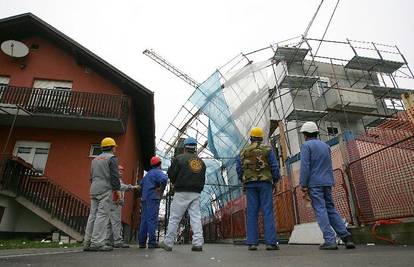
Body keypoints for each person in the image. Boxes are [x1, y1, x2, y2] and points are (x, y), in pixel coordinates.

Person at [299, 121, 355, 250]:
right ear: (316, 133)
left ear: (305, 134)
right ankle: (346, 237)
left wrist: (303, 184)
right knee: (330, 208)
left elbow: (305, 166)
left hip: (314, 183)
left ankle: (330, 240)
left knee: (320, 210)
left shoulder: (306, 146)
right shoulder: (325, 146)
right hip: (327, 181)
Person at [236, 127, 281, 251]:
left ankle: (252, 243)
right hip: (265, 183)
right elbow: (274, 166)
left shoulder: (243, 152)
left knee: (252, 212)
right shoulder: (267, 150)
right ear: (261, 138)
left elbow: (239, 169)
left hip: (250, 185)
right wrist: (275, 180)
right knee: (267, 211)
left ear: (250, 138)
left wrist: (244, 180)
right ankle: (271, 243)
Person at [161, 137, 206, 252]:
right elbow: (202, 178)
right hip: (196, 192)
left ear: (184, 148)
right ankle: (198, 243)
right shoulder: (201, 162)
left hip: (181, 191)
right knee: (195, 217)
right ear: (195, 148)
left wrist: (176, 181)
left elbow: (171, 174)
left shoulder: (178, 159)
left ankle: (168, 243)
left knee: (175, 218)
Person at [84, 137, 121, 252]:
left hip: (94, 187)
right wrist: (117, 190)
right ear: (112, 147)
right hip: (105, 188)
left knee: (92, 215)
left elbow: (91, 176)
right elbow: (115, 176)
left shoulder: (95, 159)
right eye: (115, 147)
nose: (115, 149)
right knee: (102, 215)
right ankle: (97, 243)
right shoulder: (112, 158)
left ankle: (87, 242)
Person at [105, 165, 139, 248]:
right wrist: (133, 187)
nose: (121, 172)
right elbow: (121, 187)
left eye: (122, 171)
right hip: (115, 203)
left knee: (109, 222)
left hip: (110, 203)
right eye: (119, 170)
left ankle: (107, 240)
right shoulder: (115, 179)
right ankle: (118, 241)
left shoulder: (112, 178)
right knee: (116, 222)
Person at [138, 156, 168, 249]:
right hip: (153, 198)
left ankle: (142, 243)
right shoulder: (158, 172)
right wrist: (160, 189)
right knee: (152, 220)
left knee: (144, 220)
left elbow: (141, 184)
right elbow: (164, 179)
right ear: (160, 164)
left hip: (145, 198)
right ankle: (151, 242)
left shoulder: (148, 174)